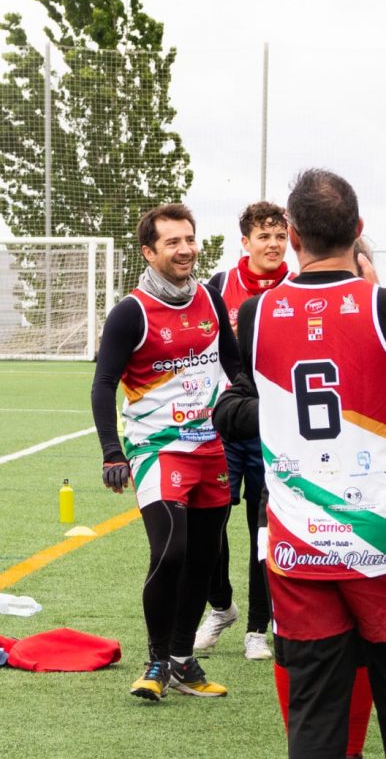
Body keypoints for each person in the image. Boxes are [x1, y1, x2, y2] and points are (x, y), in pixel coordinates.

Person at [214, 170, 386, 759]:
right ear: (359, 230)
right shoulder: (379, 305)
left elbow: (235, 406)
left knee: (314, 721)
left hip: (298, 543)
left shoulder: (254, 316)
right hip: (378, 541)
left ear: (290, 235)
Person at [91, 203, 240, 701]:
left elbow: (234, 367)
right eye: (173, 242)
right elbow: (103, 384)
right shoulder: (130, 312)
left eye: (190, 239)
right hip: (157, 448)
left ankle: (182, 660)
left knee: (203, 556)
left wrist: (245, 408)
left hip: (212, 447)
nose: (186, 250)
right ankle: (156, 660)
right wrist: (113, 452)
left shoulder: (212, 300)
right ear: (148, 251)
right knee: (170, 549)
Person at [195, 202, 291, 661]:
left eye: (279, 235)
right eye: (263, 236)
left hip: (277, 432)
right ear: (246, 242)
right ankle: (221, 606)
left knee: (265, 531)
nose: (272, 244)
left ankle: (258, 627)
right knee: (209, 523)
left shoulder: (298, 288)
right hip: (226, 423)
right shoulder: (220, 288)